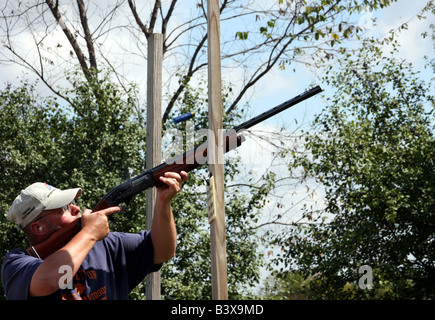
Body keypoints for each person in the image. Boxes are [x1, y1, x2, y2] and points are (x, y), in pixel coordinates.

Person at [1, 171, 188, 300]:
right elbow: (49, 280)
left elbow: (162, 250)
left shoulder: (106, 245)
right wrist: (89, 233)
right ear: (38, 228)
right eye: (64, 208)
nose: (76, 208)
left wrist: (163, 202)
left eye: (73, 202)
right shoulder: (17, 264)